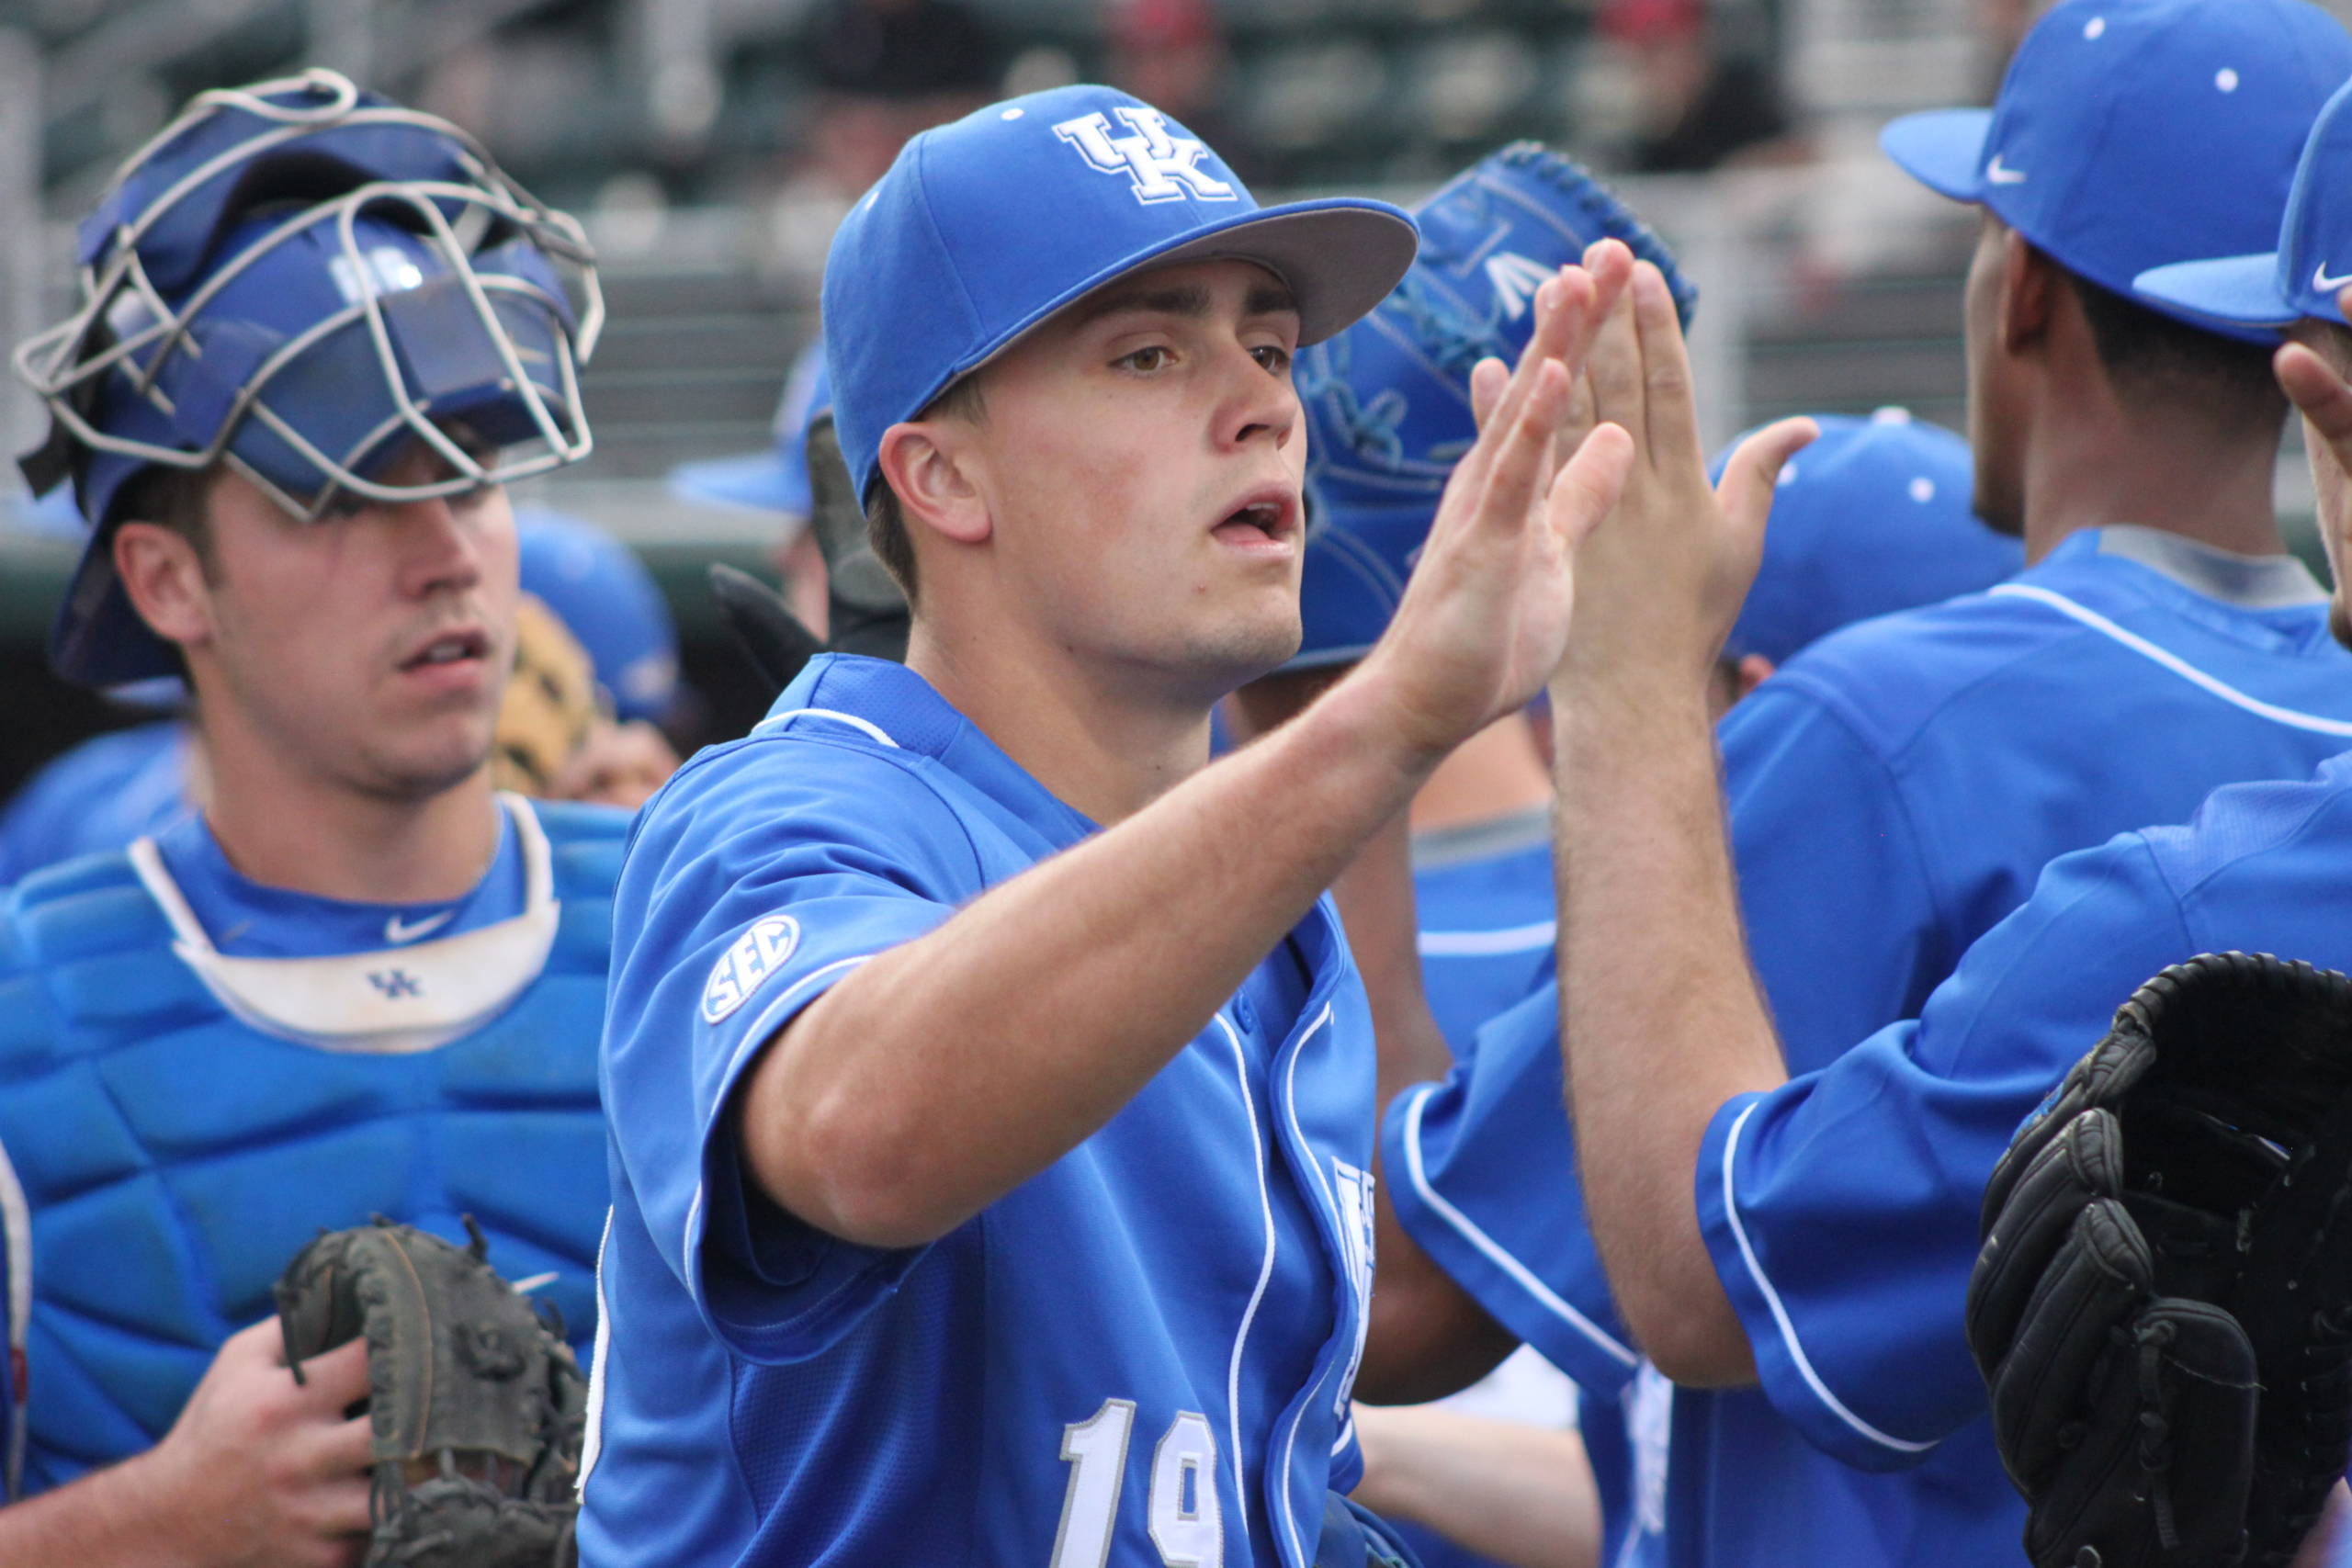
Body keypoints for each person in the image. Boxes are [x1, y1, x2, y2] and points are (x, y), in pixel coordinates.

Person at [577, 83, 1688, 1568]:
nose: (1263, 400)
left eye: (1273, 344)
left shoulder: (1271, 919)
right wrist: (1386, 718)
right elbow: (864, 1132)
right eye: (1150, 351)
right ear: (939, 474)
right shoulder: (791, 805)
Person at [1364, 4, 2352, 1565]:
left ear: (2019, 284)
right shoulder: (2329, 754)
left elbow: (1404, 1307)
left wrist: (1351, 676)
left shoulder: (1879, 724)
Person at [0, 67, 620, 1559]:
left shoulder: (716, 928)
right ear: (166, 581)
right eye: (344, 490)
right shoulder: (19, 1012)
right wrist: (153, 1524)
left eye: (470, 470)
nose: (445, 552)